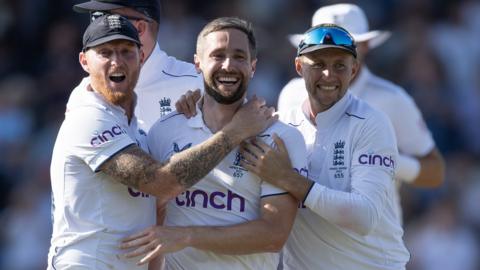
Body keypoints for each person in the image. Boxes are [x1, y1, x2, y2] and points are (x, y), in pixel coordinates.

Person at [47, 14, 276, 270]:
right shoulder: (88, 118)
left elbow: (155, 217)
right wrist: (235, 131)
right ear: (84, 61)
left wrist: (195, 105)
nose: (116, 61)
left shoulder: (136, 127)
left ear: (142, 58)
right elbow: (162, 183)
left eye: (126, 52)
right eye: (105, 52)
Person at [119, 17, 308, 270]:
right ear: (198, 63)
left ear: (253, 66)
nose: (228, 65)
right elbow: (155, 222)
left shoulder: (279, 136)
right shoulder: (165, 130)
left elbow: (274, 235)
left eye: (239, 57)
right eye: (217, 55)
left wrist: (186, 236)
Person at [241, 24, 410, 270]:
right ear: (299, 67)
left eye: (339, 65)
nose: (329, 75)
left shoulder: (371, 123)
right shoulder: (280, 125)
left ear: (354, 70)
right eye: (318, 64)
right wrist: (190, 107)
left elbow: (365, 217)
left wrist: (287, 178)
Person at [278, 4, 445, 221]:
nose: (334, 53)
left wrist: (382, 159)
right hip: (306, 244)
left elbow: (435, 172)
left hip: (371, 246)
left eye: (348, 44)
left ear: (365, 46)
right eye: (321, 50)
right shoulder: (292, 93)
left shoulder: (391, 99)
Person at [73, 0, 203, 131]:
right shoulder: (84, 92)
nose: (96, 27)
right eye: (94, 18)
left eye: (104, 17)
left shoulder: (197, 84)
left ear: (139, 28)